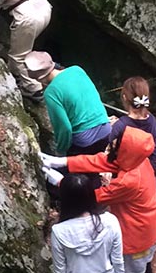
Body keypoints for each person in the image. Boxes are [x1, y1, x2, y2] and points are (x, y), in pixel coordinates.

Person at [44, 126, 156, 273]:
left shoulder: (129, 180)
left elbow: (92, 197)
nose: (111, 148)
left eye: (116, 146)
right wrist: (62, 161)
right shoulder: (138, 160)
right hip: (148, 229)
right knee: (146, 270)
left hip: (135, 235)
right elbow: (101, 161)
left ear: (125, 151)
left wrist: (61, 183)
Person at [27, 51, 110, 191]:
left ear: (38, 78)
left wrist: (61, 151)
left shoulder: (51, 92)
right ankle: (97, 200)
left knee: (77, 178)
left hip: (84, 140)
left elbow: (64, 127)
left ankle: (83, 206)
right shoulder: (77, 70)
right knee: (92, 168)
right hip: (105, 129)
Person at [51, 173, 126, 273]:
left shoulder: (59, 231)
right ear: (91, 195)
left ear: (65, 199)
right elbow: (117, 259)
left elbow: (60, 269)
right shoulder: (110, 221)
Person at [110, 76, 156, 174]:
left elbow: (109, 152)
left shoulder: (120, 125)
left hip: (125, 176)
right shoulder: (153, 121)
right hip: (147, 175)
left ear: (124, 97)